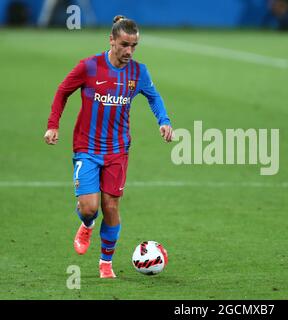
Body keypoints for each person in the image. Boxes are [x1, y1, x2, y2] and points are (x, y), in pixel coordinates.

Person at [44, 15, 173, 278]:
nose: (129, 51)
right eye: (124, 44)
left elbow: (154, 97)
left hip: (117, 149)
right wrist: (53, 124)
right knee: (90, 208)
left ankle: (105, 264)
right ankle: (87, 223)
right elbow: (62, 90)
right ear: (111, 40)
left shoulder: (138, 72)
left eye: (134, 46)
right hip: (87, 147)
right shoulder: (89, 67)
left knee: (111, 206)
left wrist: (164, 121)